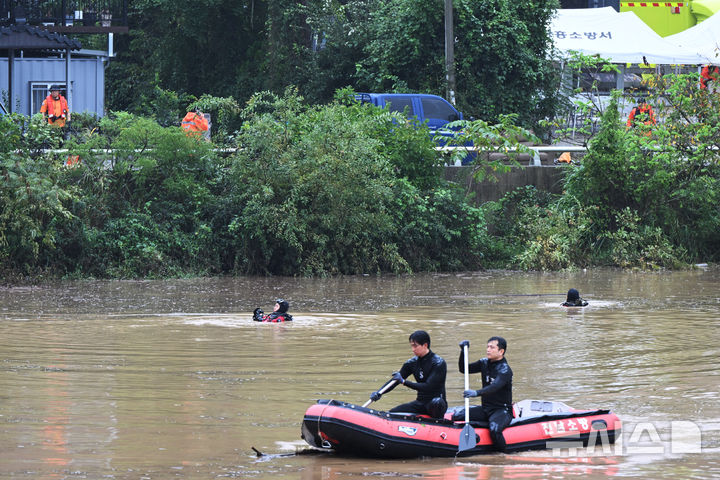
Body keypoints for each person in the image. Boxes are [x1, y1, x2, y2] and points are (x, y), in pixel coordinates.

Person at [369, 330, 448, 419]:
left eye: (415, 346)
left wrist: (403, 381)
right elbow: (395, 381)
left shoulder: (438, 363)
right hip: (421, 403)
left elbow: (428, 387)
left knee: (436, 403)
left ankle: (439, 424)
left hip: (436, 405)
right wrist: (379, 393)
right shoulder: (412, 363)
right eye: (411, 346)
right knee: (390, 414)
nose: (413, 349)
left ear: (425, 345)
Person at [453, 337, 513, 451]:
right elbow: (464, 369)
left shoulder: (505, 370)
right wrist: (462, 352)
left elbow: (494, 387)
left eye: (492, 347)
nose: (488, 350)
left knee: (495, 430)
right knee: (458, 416)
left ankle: (504, 456)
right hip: (486, 409)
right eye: (487, 346)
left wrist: (476, 393)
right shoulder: (484, 363)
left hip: (501, 410)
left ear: (501, 351)